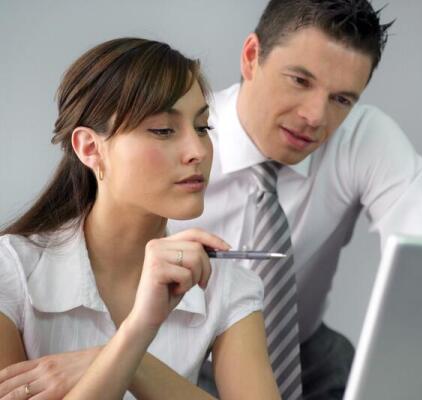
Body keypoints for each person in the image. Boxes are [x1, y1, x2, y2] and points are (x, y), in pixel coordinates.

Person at [168, 0, 422, 399]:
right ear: (251, 57)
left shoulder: (361, 139)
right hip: (186, 357)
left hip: (305, 355)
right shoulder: (179, 141)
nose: (315, 117)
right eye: (300, 81)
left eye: (341, 99)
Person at [0, 38, 280, 400]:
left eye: (202, 127)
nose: (197, 151)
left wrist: (128, 363)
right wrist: (137, 333)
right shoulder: (10, 270)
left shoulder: (227, 285)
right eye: (163, 130)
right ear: (90, 148)